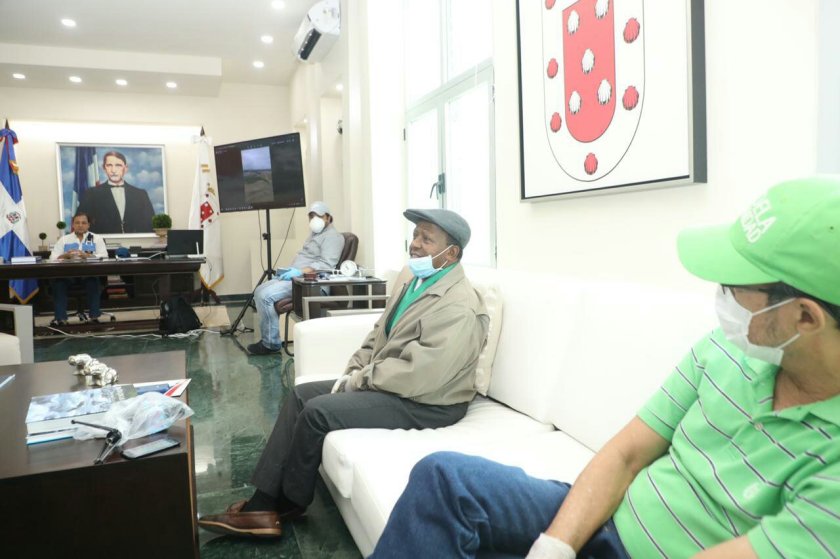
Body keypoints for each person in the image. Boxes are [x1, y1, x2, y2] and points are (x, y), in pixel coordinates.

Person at [370, 177, 840, 559]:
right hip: (610, 515)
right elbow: (626, 454)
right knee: (444, 479)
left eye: (734, 287)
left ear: (805, 317)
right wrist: (555, 546)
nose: (721, 298)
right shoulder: (724, 348)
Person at [198, 208, 490, 538]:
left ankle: (287, 504)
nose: (416, 244)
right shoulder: (414, 281)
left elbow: (423, 374)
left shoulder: (458, 304)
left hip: (430, 402)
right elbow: (379, 332)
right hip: (394, 384)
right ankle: (264, 500)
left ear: (451, 253)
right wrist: (355, 367)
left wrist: (361, 380)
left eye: (427, 239)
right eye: (415, 235)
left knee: (318, 411)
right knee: (301, 395)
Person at [247, 201, 345, 355]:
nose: (314, 219)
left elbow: (326, 265)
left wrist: (299, 272)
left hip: (310, 283)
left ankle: (270, 343)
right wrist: (291, 270)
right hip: (297, 277)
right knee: (259, 290)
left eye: (318, 216)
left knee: (265, 296)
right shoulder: (315, 235)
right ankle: (270, 338)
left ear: (327, 217)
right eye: (311, 216)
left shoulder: (333, 237)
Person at [48, 211, 108, 326]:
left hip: (88, 273)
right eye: (77, 223)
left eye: (83, 223)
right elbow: (52, 258)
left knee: (93, 282)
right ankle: (61, 320)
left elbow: (104, 257)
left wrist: (88, 256)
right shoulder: (64, 239)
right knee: (58, 284)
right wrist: (65, 256)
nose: (80, 225)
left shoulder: (96, 238)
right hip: (68, 274)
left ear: (88, 225)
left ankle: (94, 317)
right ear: (73, 225)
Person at [76, 151, 155, 234]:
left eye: (118, 165)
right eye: (109, 165)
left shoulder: (141, 195)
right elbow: (81, 225)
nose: (113, 170)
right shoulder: (91, 194)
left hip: (136, 241)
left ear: (126, 168)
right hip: (103, 241)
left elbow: (150, 226)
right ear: (104, 168)